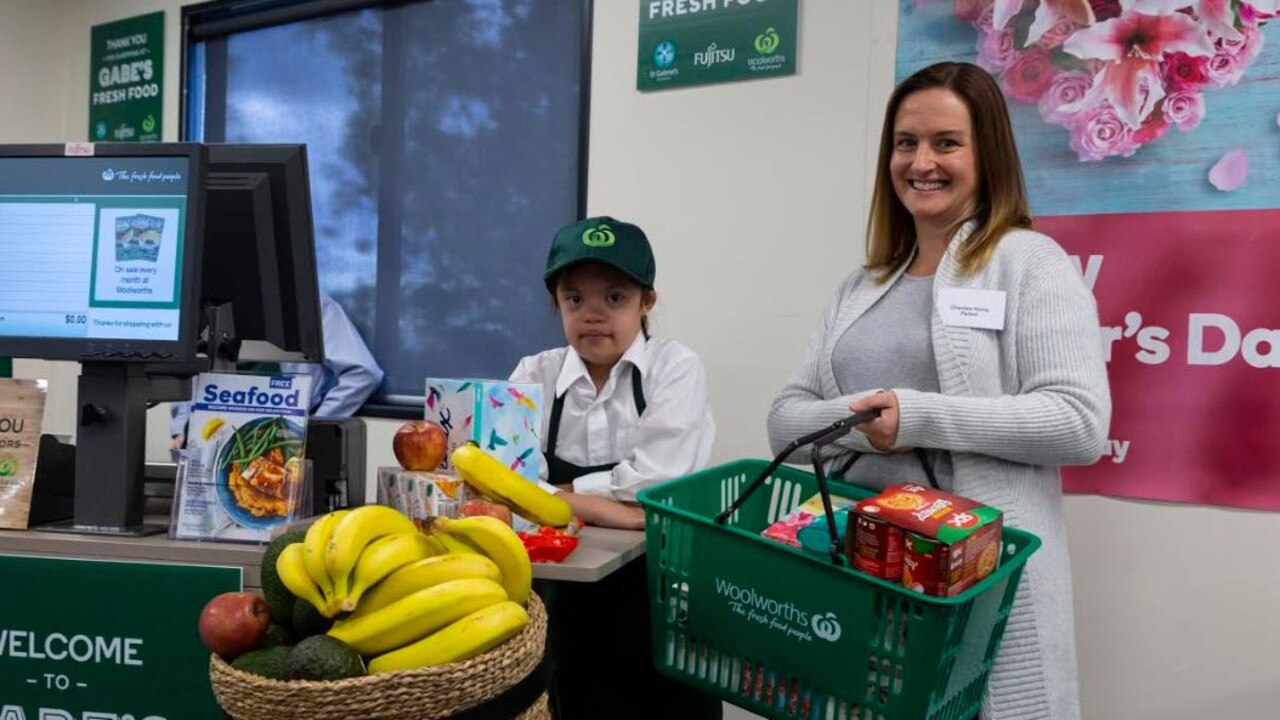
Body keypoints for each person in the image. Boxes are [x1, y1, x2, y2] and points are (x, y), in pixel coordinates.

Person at [767, 62, 1110, 720]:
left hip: (973, 586)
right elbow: (785, 420)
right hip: (861, 575)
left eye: (945, 142)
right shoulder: (863, 286)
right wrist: (863, 419)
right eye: (905, 143)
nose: (921, 162)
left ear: (988, 153)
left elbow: (1078, 423)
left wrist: (916, 417)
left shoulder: (1027, 262)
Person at [510, 216, 721, 720]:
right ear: (556, 304)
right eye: (575, 298)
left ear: (647, 302)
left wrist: (553, 495)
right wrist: (616, 507)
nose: (594, 315)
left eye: (615, 297)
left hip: (657, 608)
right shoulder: (531, 374)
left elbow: (655, 486)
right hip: (559, 607)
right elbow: (506, 487)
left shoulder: (676, 367)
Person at [170, 292, 384, 447]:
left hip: (281, 440)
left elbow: (363, 373)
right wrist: (180, 429)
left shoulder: (309, 304)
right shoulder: (202, 301)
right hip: (209, 439)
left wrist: (310, 430)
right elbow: (189, 365)